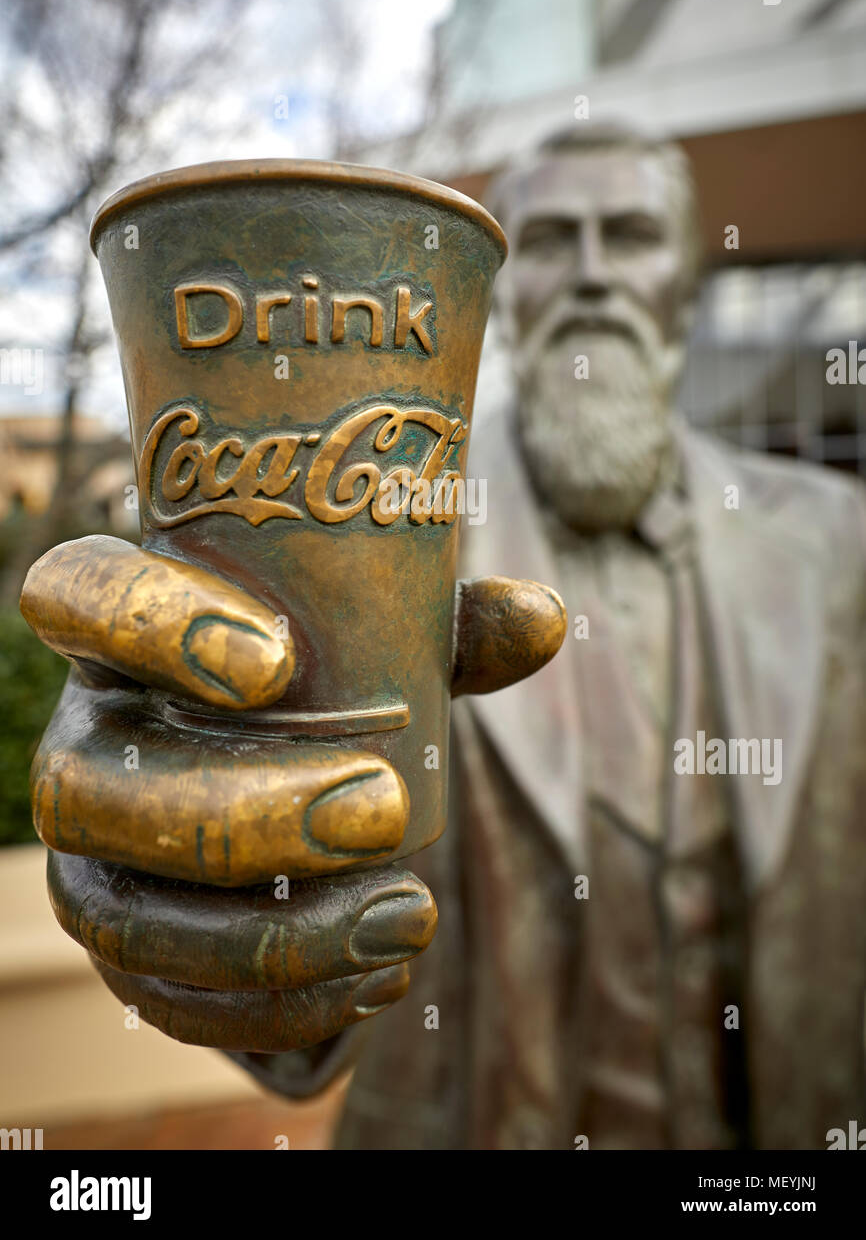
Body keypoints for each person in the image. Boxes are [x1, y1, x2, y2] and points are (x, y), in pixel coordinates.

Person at [21, 124, 866, 1150]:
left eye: (630, 236)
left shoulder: (838, 546)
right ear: (505, 297)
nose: (592, 275)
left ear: (682, 282)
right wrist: (194, 873)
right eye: (552, 239)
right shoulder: (360, 539)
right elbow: (296, 1028)